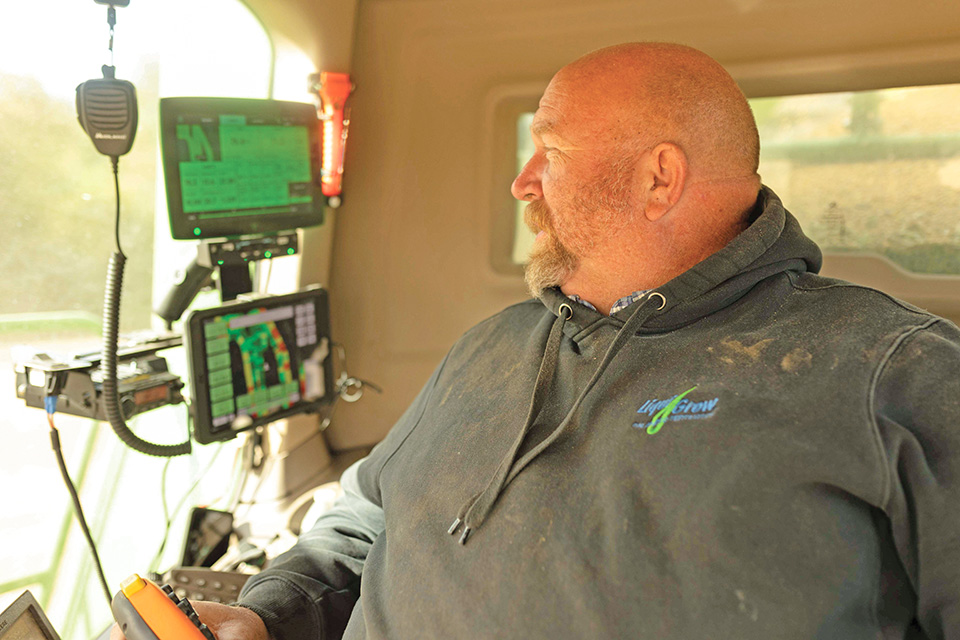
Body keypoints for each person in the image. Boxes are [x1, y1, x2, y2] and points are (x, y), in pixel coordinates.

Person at [113, 42, 960, 639]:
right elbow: (366, 518)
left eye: (546, 150)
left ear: (658, 177)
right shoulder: (493, 347)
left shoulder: (894, 370)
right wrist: (267, 611)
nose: (523, 181)